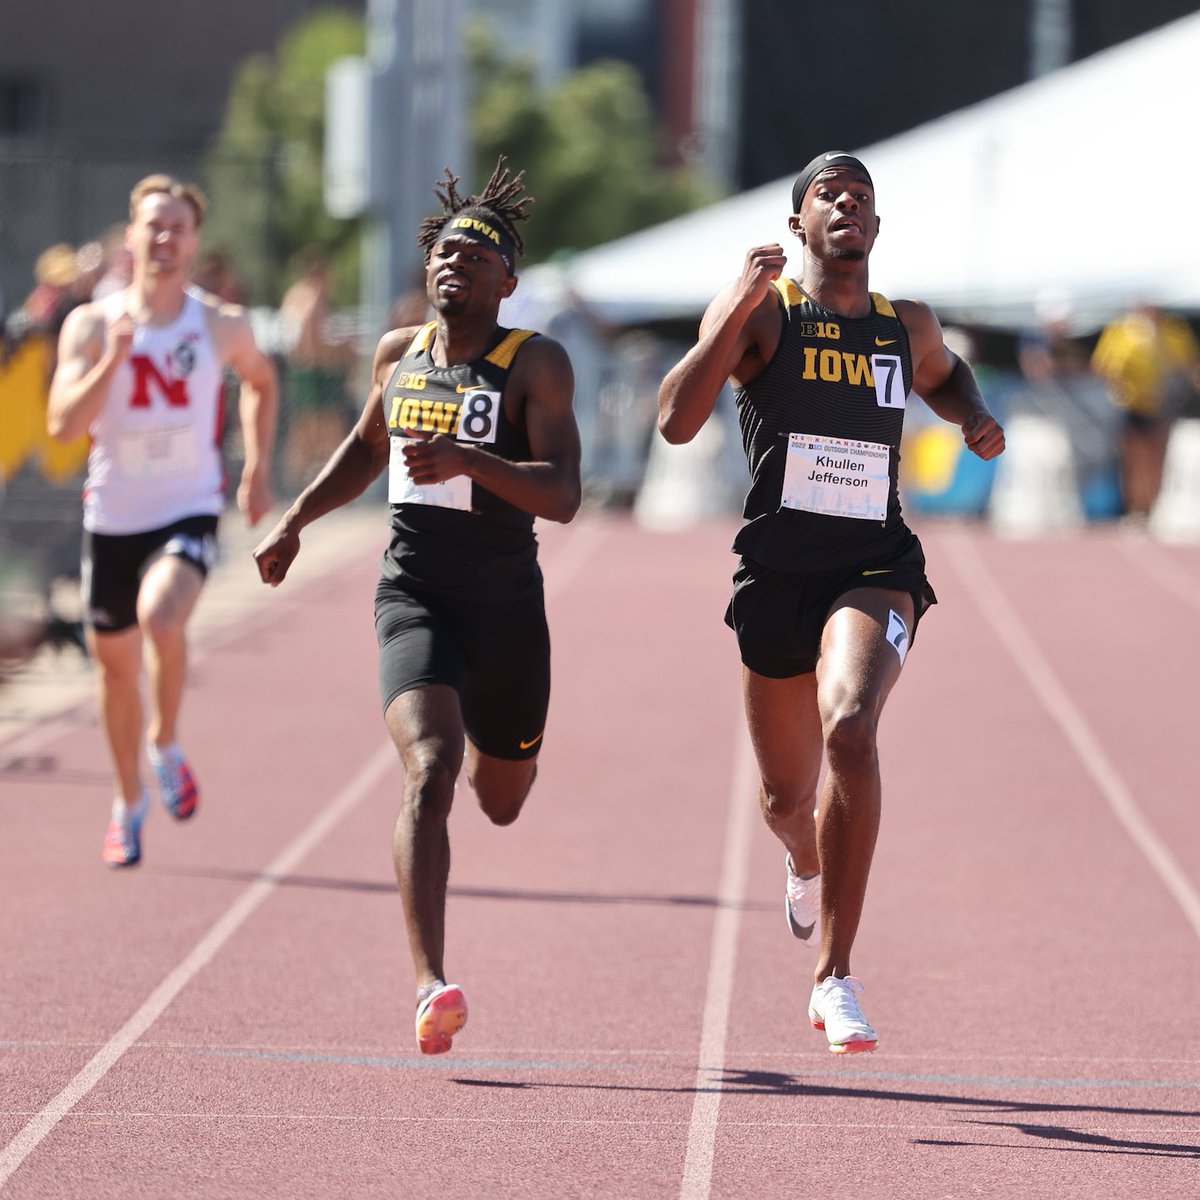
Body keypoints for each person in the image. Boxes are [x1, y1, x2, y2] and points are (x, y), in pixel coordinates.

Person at [657, 151, 1004, 1054]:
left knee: (851, 725)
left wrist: (969, 415)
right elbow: (674, 418)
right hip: (776, 573)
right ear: (798, 223)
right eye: (829, 194)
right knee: (784, 793)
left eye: (863, 197)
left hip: (873, 562)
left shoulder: (904, 324)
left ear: (876, 232)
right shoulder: (765, 314)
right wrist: (734, 302)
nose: (848, 203)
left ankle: (835, 976)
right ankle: (803, 854)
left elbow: (947, 371)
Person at [252, 159, 581, 1056]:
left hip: (508, 606)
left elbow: (564, 494)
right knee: (429, 770)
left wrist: (472, 463)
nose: (455, 263)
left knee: (501, 800)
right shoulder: (398, 354)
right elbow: (365, 451)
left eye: (477, 256)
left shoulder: (534, 364)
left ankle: (499, 748)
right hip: (416, 594)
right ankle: (433, 982)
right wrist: (294, 521)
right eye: (444, 249)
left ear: (507, 282)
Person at [46, 174, 277, 868]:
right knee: (115, 672)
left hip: (188, 505)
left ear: (194, 240)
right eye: (155, 225)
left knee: (162, 617)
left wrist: (257, 465)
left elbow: (262, 382)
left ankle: (166, 743)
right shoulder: (92, 323)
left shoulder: (219, 323)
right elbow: (62, 427)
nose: (166, 238)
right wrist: (114, 357)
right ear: (133, 233)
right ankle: (127, 802)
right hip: (114, 513)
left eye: (178, 227)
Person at [1090, 301, 1200, 519]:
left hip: (1163, 405)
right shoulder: (1122, 331)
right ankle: (1136, 508)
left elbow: (1189, 364)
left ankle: (1153, 507)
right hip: (1132, 405)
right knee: (1134, 460)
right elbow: (1102, 366)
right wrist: (1119, 384)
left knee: (1159, 459)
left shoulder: (1173, 332)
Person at [278, 247, 356, 490]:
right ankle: (336, 484)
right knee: (329, 428)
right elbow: (314, 344)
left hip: (300, 372)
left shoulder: (293, 296)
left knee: (302, 430)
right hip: (317, 373)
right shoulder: (313, 300)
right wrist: (343, 349)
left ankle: (293, 483)